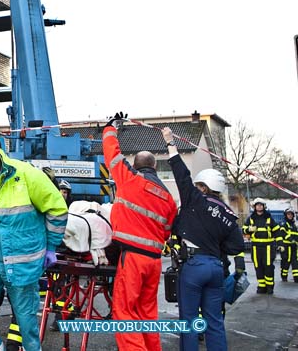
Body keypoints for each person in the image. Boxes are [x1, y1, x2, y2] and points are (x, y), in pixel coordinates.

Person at [0, 127, 68, 351]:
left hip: (22, 264)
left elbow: (57, 209)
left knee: (27, 328)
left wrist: (51, 246)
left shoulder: (27, 174)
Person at [162, 127, 245, 351]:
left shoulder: (195, 200)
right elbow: (237, 246)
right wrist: (215, 245)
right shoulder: (229, 213)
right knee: (214, 322)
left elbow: (180, 172)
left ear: (203, 187)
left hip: (194, 266)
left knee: (189, 322)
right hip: (216, 267)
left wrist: (170, 142)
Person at [102, 112, 177, 351]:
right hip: (154, 262)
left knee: (125, 313)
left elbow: (112, 154)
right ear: (155, 167)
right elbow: (166, 231)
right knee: (147, 314)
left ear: (135, 165)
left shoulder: (130, 179)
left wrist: (110, 127)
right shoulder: (168, 198)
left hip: (132, 258)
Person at [243, 198, 280, 293]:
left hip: (268, 247)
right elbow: (243, 229)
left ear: (264, 206)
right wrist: (248, 230)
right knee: (258, 266)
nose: (259, 206)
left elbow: (277, 231)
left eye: (261, 205)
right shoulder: (251, 218)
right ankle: (261, 286)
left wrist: (280, 244)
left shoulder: (269, 218)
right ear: (254, 207)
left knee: (268, 267)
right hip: (255, 247)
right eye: (257, 205)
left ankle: (270, 287)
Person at [278, 208, 298, 282]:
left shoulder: (294, 225)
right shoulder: (283, 223)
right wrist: (291, 240)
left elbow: (296, 235)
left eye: (291, 214)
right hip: (286, 246)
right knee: (286, 261)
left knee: (295, 262)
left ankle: (296, 277)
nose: (290, 216)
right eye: (288, 214)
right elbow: (283, 233)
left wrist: (295, 241)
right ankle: (284, 276)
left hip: (294, 247)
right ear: (286, 215)